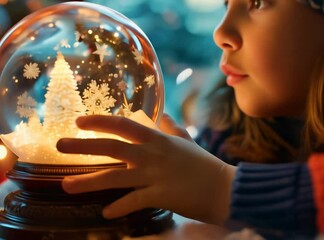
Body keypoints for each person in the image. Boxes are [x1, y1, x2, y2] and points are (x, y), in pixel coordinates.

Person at [56, 0, 324, 239]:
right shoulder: (227, 132)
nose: (221, 33)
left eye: (258, 3)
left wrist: (219, 188)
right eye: (226, 4)